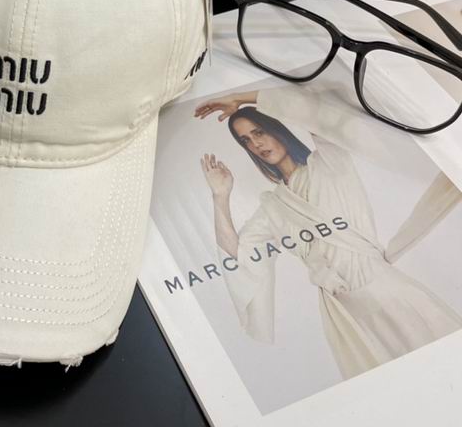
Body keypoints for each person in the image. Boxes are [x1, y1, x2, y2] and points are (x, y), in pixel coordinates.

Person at [194, 86, 462, 379]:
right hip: (343, 313)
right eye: (246, 141)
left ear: (276, 128)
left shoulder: (329, 162)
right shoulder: (272, 206)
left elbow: (314, 110)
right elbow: (237, 254)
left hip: (384, 288)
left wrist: (241, 98)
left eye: (259, 132)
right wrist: (220, 196)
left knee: (446, 367)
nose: (256, 144)